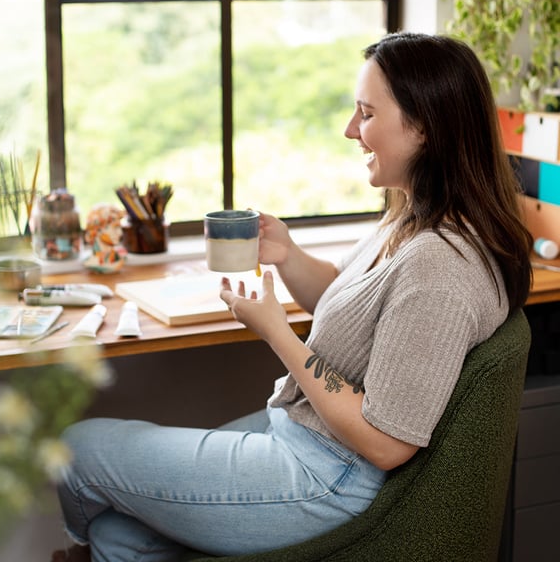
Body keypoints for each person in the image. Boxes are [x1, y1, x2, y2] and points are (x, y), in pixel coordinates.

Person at [52, 32, 532, 562]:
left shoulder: (441, 267)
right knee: (119, 537)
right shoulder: (411, 218)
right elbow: (356, 307)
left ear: (423, 128)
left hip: (329, 475)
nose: (351, 130)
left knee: (76, 449)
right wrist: (287, 254)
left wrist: (278, 332)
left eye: (366, 114)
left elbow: (386, 442)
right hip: (305, 439)